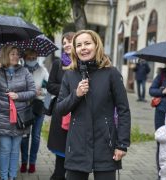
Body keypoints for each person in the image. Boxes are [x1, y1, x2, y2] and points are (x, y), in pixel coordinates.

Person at [56, 30, 131, 180]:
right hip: (77, 145)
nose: (83, 48)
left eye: (87, 43)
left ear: (97, 45)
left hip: (105, 144)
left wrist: (122, 144)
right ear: (75, 50)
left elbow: (124, 110)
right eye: (78, 45)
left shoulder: (111, 73)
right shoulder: (69, 75)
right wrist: (76, 95)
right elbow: (60, 109)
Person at [0, 45, 36, 180]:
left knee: (15, 150)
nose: (16, 56)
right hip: (3, 116)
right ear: (5, 55)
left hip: (20, 117)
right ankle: (4, 177)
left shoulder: (24, 71)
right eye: (12, 54)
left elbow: (33, 92)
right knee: (5, 149)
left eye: (17, 54)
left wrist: (18, 96)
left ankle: (12, 176)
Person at [47, 32, 75, 180]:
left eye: (69, 42)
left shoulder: (83, 64)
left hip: (77, 112)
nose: (66, 45)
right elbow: (50, 86)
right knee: (60, 146)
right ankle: (58, 174)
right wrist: (67, 91)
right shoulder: (58, 64)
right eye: (64, 43)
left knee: (74, 146)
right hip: (61, 110)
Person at [20, 48, 49, 173]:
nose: (32, 60)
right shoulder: (21, 70)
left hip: (39, 106)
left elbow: (49, 90)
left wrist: (40, 91)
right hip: (25, 107)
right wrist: (29, 92)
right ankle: (24, 162)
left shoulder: (43, 70)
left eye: (34, 58)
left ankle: (32, 162)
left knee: (36, 137)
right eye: (29, 58)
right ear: (24, 58)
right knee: (25, 136)